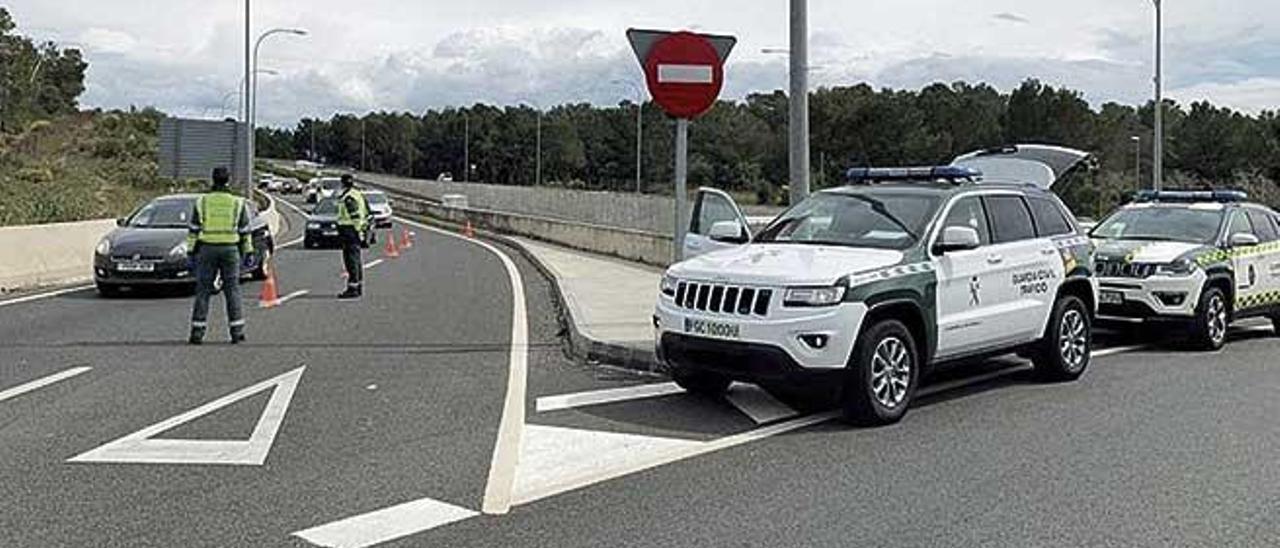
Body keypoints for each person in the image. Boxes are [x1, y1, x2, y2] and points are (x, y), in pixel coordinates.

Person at [187, 167, 254, 345]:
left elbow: (193, 230)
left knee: (203, 291)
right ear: (228, 180)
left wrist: (191, 251)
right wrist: (248, 251)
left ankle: (197, 332)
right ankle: (237, 332)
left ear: (213, 180)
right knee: (232, 290)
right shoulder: (237, 203)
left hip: (207, 249)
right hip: (230, 249)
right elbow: (245, 231)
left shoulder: (202, 202)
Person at [337, 174, 370, 299]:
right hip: (354, 230)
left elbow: (355, 215)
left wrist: (356, 230)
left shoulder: (349, 197)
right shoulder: (358, 194)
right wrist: (362, 229)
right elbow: (366, 212)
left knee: (350, 260)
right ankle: (358, 286)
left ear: (343, 183)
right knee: (356, 259)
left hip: (350, 230)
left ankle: (353, 288)